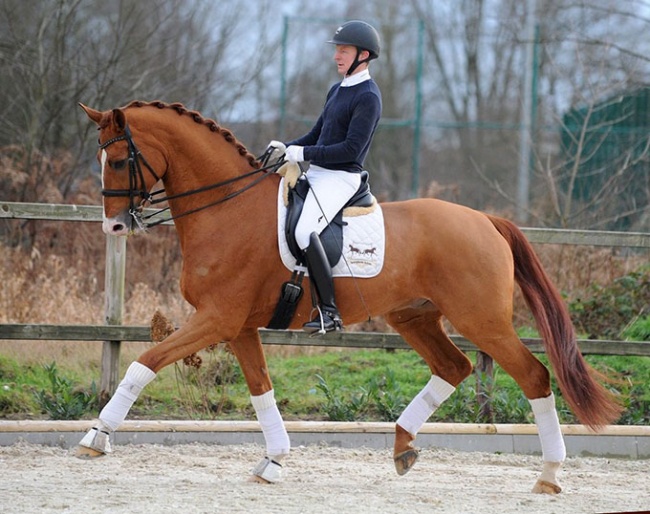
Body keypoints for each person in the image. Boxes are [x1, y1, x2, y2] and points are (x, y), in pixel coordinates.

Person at [267, 20, 382, 334]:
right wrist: (286, 147)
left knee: (305, 232)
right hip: (318, 173)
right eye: (337, 50)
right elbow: (317, 134)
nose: (337, 56)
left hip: (341, 178)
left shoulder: (368, 96)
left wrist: (302, 155)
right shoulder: (337, 89)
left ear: (364, 54)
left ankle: (330, 312)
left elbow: (350, 149)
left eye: (343, 50)